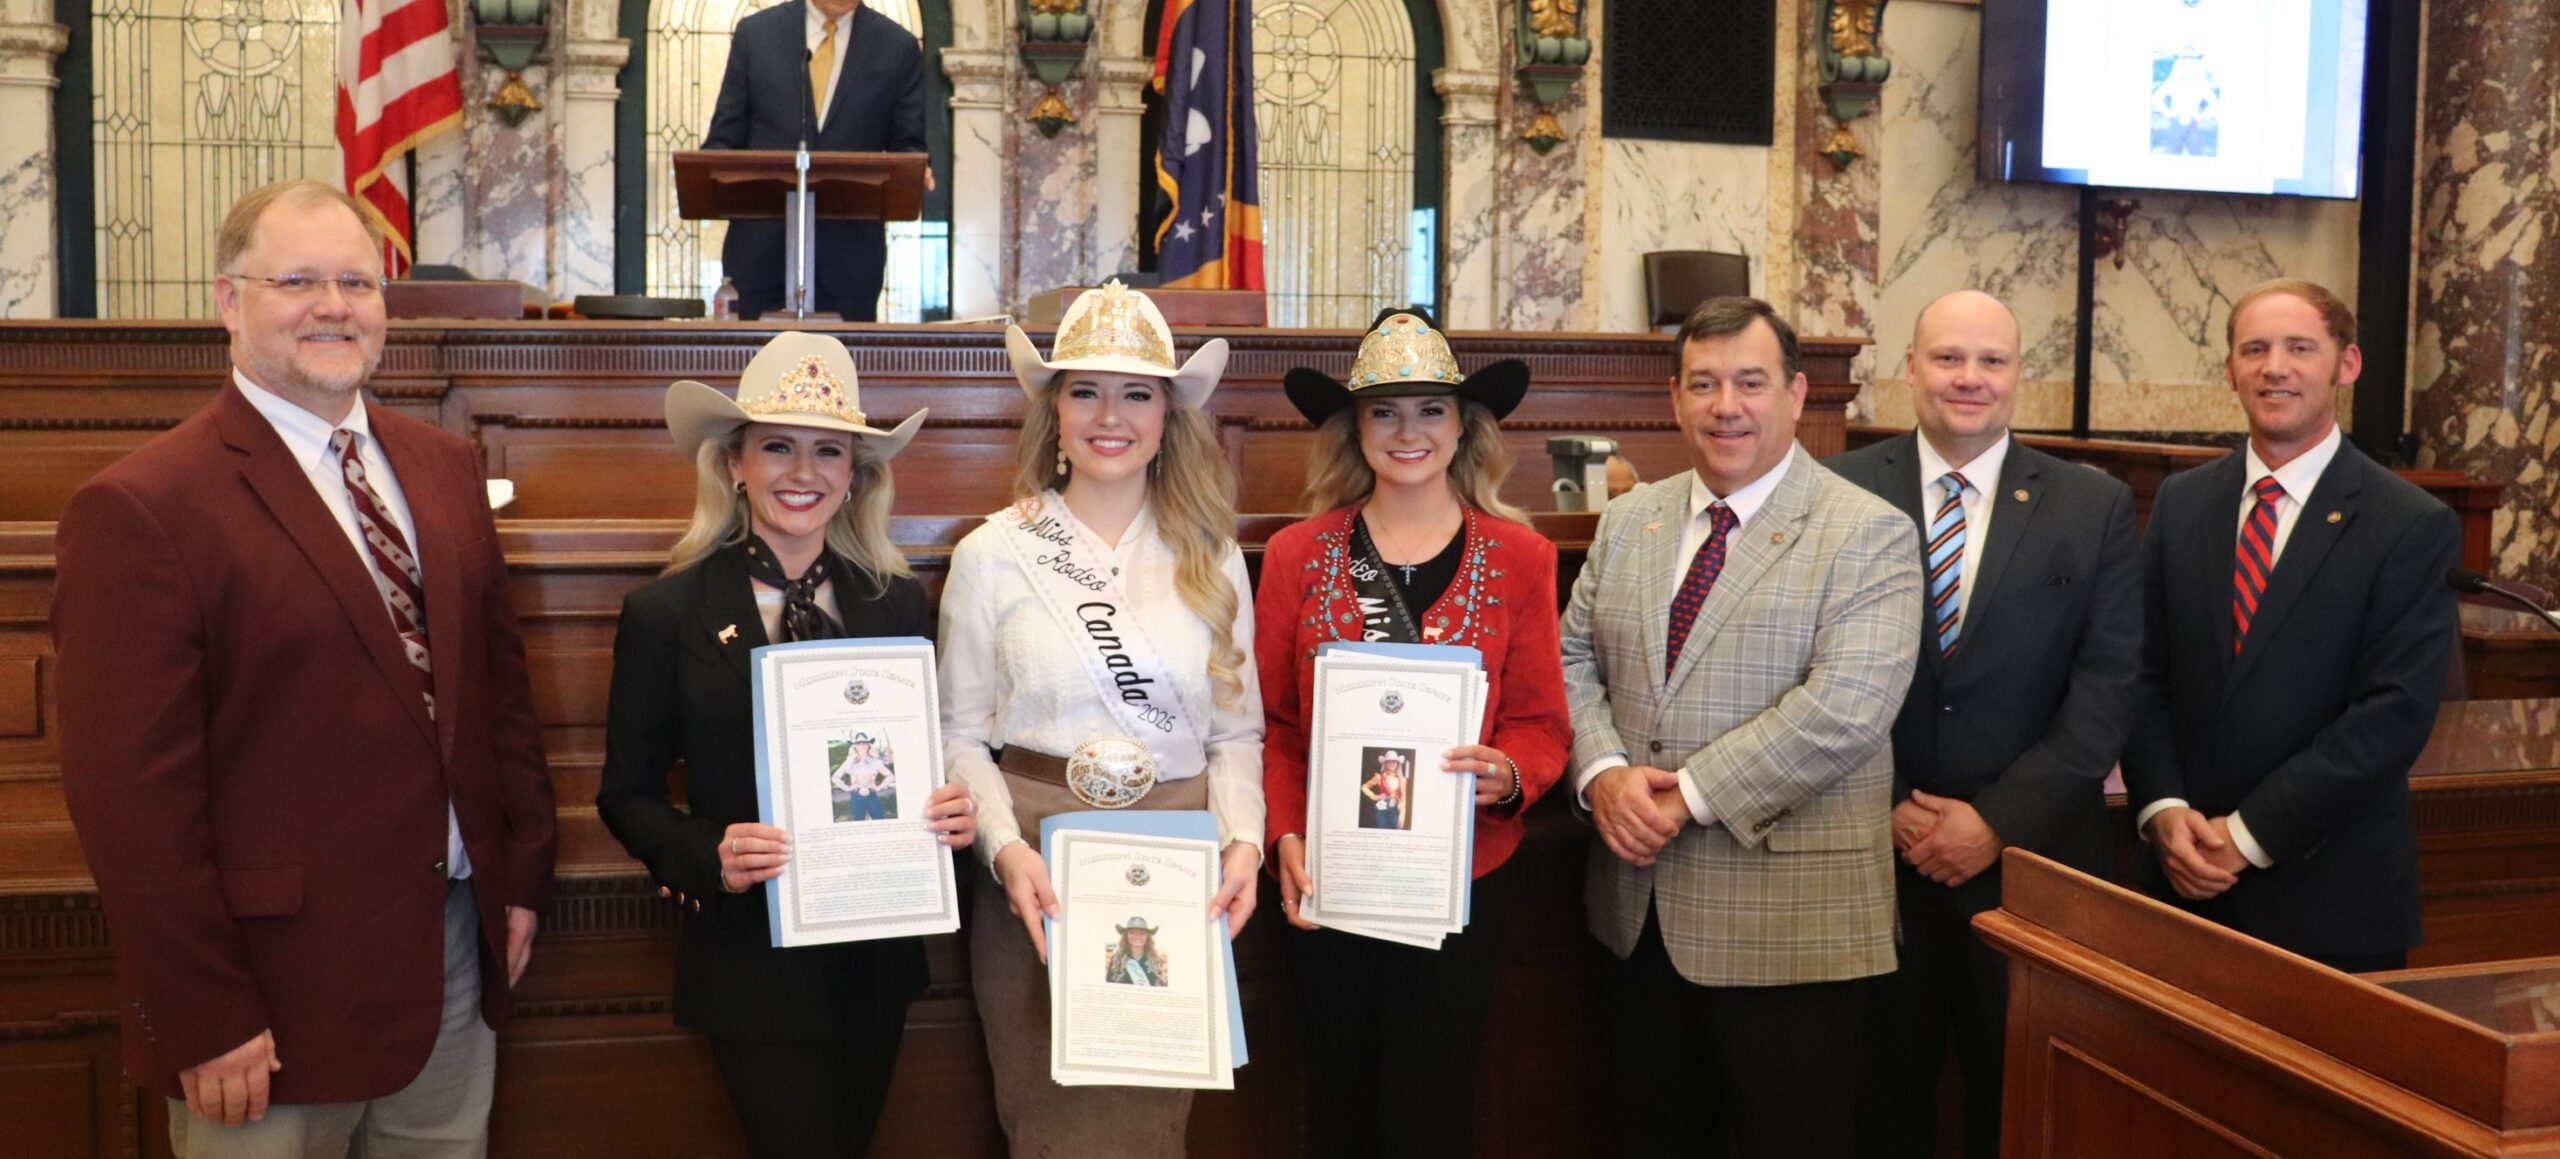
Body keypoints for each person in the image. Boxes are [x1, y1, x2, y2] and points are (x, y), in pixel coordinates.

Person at [51, 179, 556, 1158]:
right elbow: (129, 801)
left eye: (357, 283)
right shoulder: (145, 506)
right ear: (228, 300)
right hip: (265, 1004)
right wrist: (202, 1012)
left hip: (453, 960)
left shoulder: (444, 469)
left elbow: (498, 692)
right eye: (298, 280)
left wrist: (519, 874)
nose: (334, 305)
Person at [596, 331, 978, 1157]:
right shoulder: (666, 613)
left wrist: (951, 808)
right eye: (778, 447)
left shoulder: (897, 604)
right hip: (751, 962)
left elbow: (920, 761)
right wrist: (709, 853)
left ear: (854, 474)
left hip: (876, 953)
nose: (802, 473)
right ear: (734, 462)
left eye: (828, 452)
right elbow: (624, 793)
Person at [1559, 295, 1921, 1159]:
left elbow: (1845, 710)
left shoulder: (1867, 533)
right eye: (1706, 383)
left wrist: (1682, 796)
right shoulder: (1628, 521)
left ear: (1796, 395)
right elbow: (1570, 661)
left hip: (1790, 931)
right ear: (1675, 398)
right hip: (1637, 919)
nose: (1728, 405)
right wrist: (1603, 774)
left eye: (1751, 382)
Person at [940, 280, 1264, 1156]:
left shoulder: (1213, 556)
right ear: (1053, 412)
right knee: (1046, 1123)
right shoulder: (992, 553)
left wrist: (1245, 844)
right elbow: (958, 733)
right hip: (1035, 866)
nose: (1109, 414)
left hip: (1176, 859)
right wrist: (1003, 849)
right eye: (1084, 389)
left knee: (1152, 1130)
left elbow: (1237, 736)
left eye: (1137, 392)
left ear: (1168, 415)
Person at [1826, 291, 2142, 1159]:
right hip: (1869, 860)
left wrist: (1996, 821)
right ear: (1910, 370)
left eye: (1991, 361)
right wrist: (1885, 802)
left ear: (2017, 378)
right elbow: (1807, 668)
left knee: (2020, 1109)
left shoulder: (2093, 505)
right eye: (1948, 358)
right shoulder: (1838, 489)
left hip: (2032, 868)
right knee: (1877, 1104)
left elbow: (2109, 688)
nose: (1969, 379)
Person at [1258, 309, 1571, 1158]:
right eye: (1385, 410)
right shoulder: (1296, 554)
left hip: (1458, 878)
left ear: (1464, 425)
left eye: (1431, 409)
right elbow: (1277, 728)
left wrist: (1509, 771)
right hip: (1330, 872)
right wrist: (1284, 830)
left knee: (1429, 1109)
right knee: (1338, 1099)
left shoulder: (1520, 558)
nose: (1408, 431)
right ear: (1353, 428)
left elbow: (1543, 723)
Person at [2122, 278, 2461, 973]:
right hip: (2181, 891)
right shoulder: (2182, 505)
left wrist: (2246, 836)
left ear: (2347, 364)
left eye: (2299, 347)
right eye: (2255, 349)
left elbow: (2390, 716)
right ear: (2231, 371)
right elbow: (2141, 674)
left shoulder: (2409, 523)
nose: (2274, 366)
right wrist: (2161, 807)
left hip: (2330, 905)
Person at [703, 0, 928, 320]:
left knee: (840, 367)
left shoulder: (897, 46)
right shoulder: (757, 35)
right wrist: (705, 171)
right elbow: (724, 139)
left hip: (850, 260)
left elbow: (908, 145)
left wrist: (914, 169)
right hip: (759, 251)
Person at [832, 732, 895, 822]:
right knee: (859, 823)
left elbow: (890, 776)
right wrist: (847, 788)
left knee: (879, 820)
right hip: (856, 796)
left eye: (864, 743)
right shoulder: (850, 762)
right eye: (858, 743)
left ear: (868, 745)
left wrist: (879, 787)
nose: (861, 745)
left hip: (872, 796)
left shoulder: (875, 761)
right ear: (854, 746)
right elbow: (835, 778)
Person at [1105, 919, 1170, 987]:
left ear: (1147, 937)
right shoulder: (1117, 959)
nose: (1137, 936)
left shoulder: (1156, 960)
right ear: (1126, 936)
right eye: (1132, 932)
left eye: (1142, 933)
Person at [1359, 750, 1413, 830]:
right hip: (1381, 811)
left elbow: (1403, 799)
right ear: (1385, 763)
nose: (1391, 764)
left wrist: (1402, 817)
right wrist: (1375, 796)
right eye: (1389, 761)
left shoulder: (1402, 780)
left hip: (1396, 810)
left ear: (1398, 764)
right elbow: (1364, 786)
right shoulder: (1379, 777)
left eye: (1394, 761)